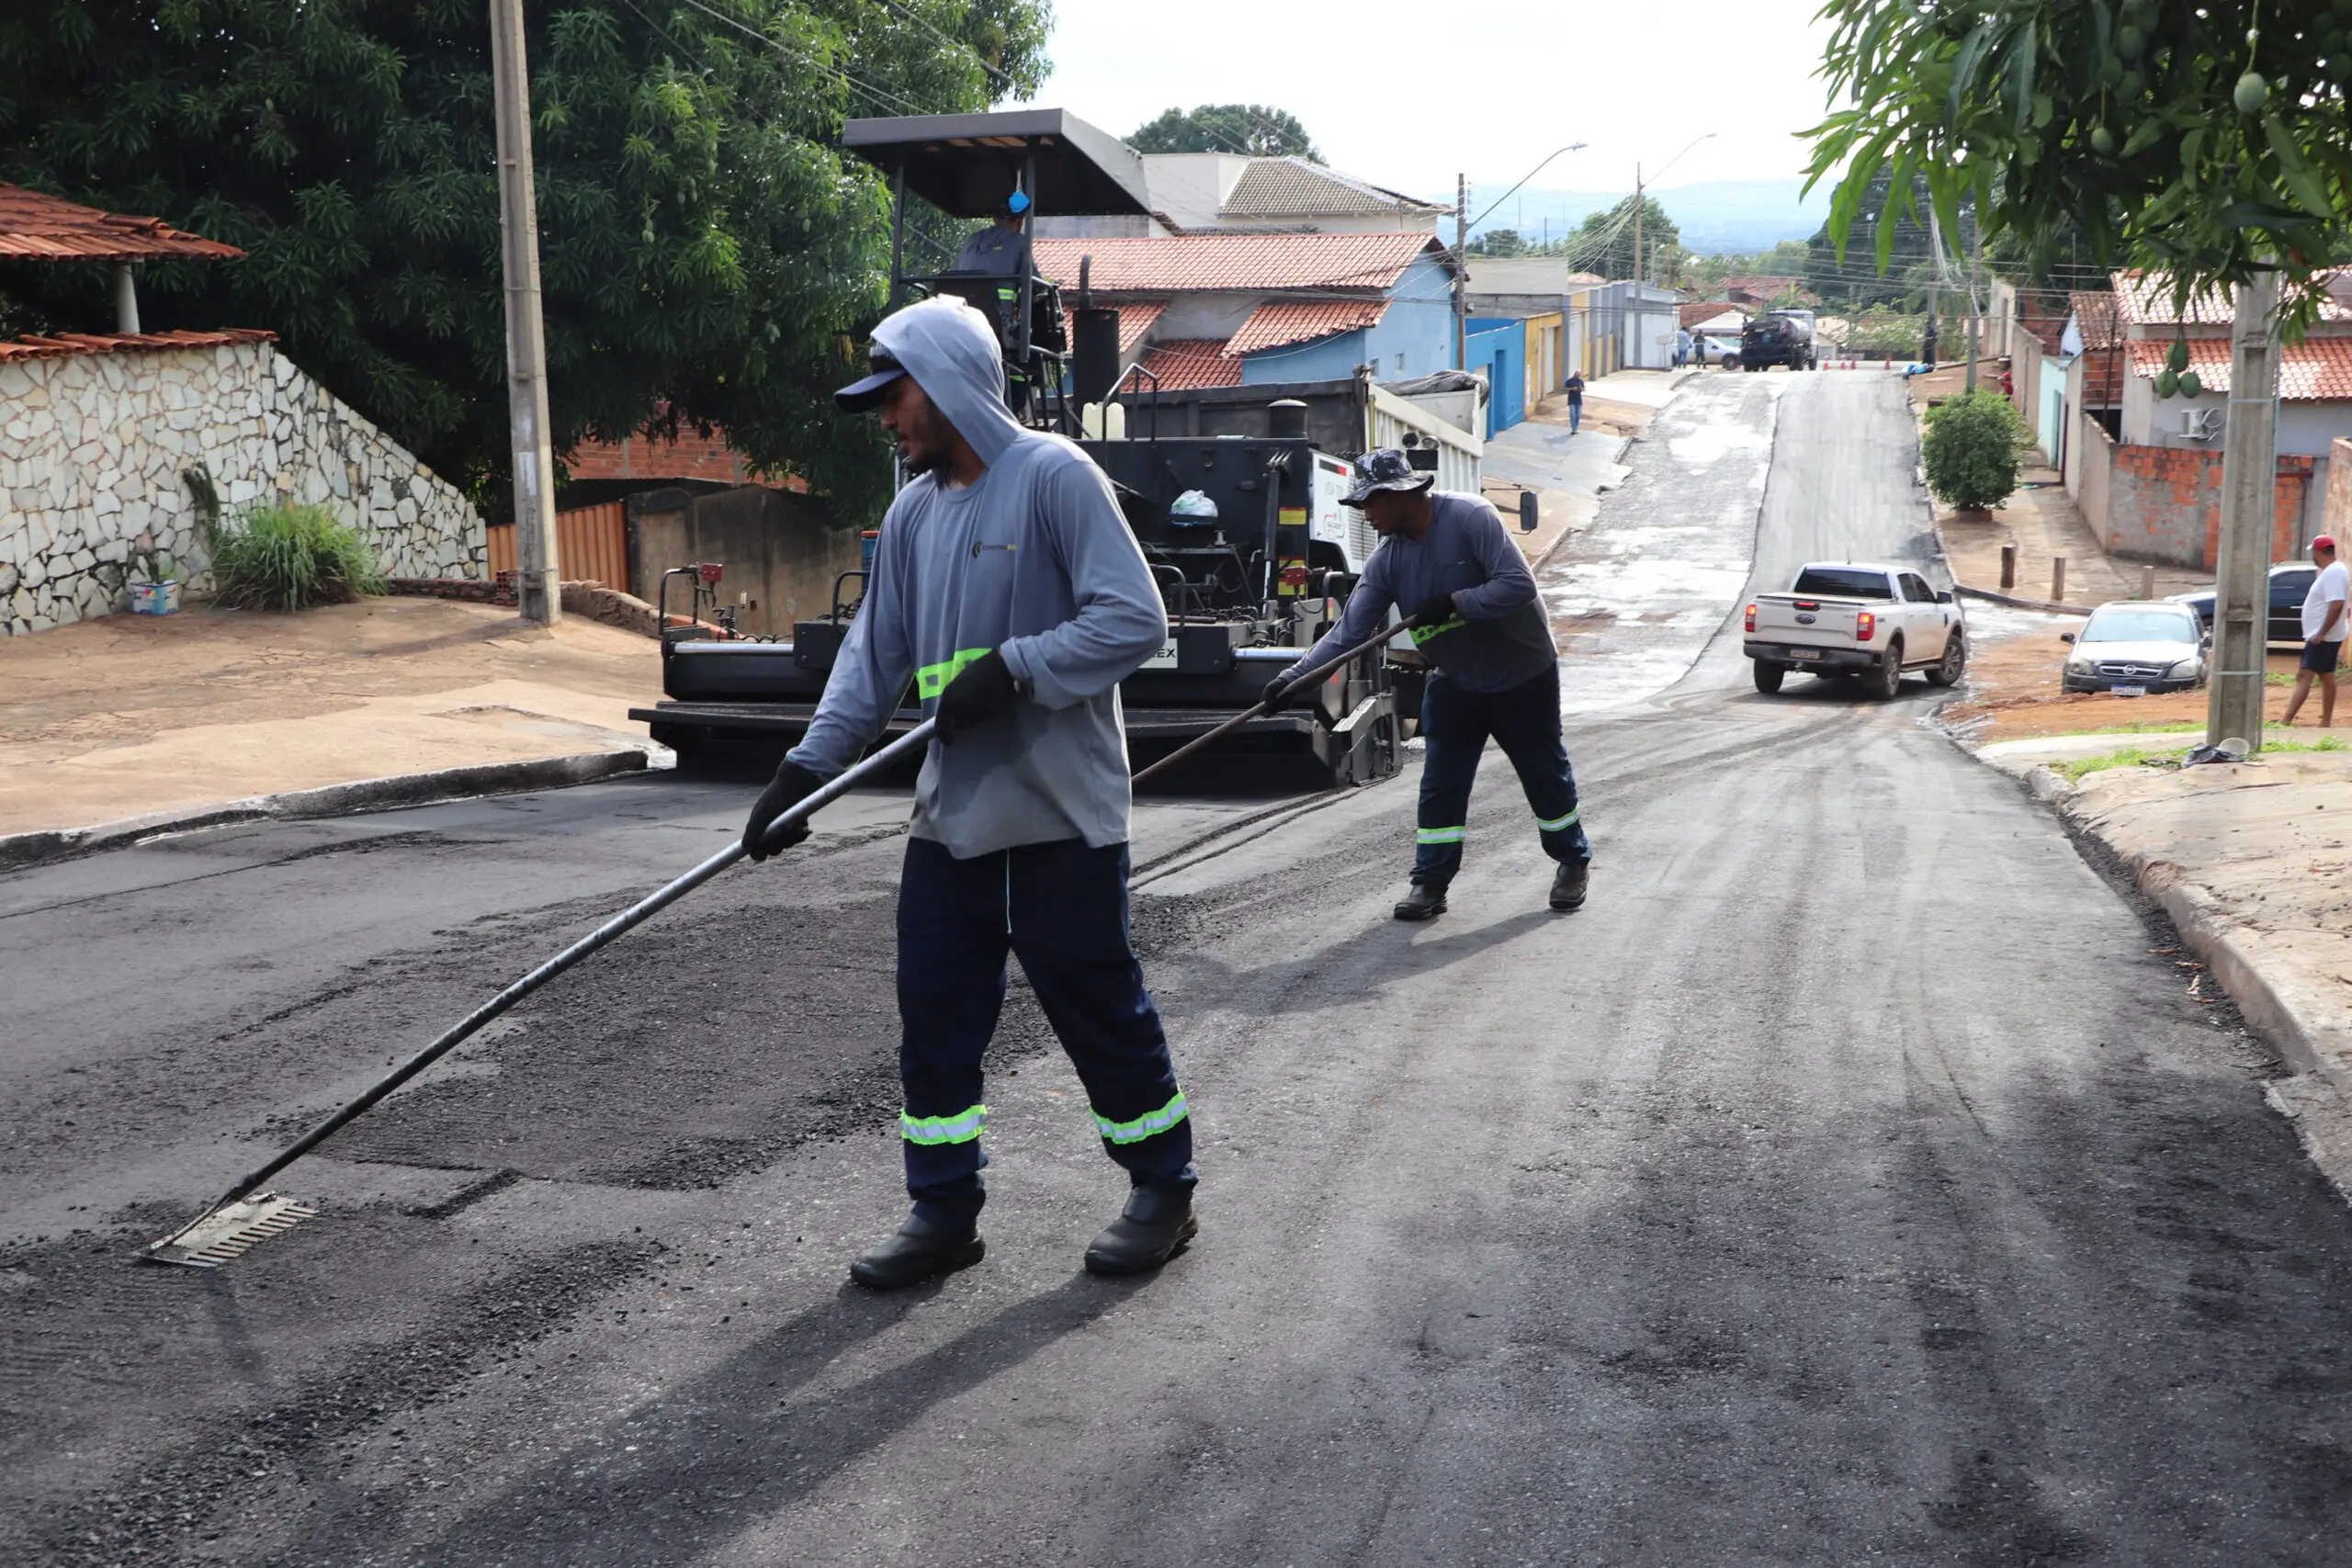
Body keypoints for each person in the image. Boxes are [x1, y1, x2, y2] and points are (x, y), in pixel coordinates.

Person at [741, 295, 1196, 1289]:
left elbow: (1134, 622)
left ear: (945, 383)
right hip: (951, 821)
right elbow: (873, 658)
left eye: (894, 396)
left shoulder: (1053, 479)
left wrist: (1017, 666)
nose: (886, 419)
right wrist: (806, 771)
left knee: (1096, 1007)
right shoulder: (911, 513)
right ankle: (942, 1210)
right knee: (935, 1019)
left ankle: (1162, 1187)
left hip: (1059, 815)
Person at [1264, 449, 1592, 921]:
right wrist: (1292, 680)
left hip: (1523, 675)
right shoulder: (1387, 562)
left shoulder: (1470, 518)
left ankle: (1572, 861)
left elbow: (1518, 585)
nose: (1366, 515)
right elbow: (1349, 634)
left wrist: (1456, 603)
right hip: (1456, 680)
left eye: (1370, 504)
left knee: (1544, 773)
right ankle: (1430, 883)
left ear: (1399, 494)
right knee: (1442, 783)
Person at [2282, 534, 2346, 728]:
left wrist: (2321, 633)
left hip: (2323, 637)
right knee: (2326, 675)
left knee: (2304, 676)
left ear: (2320, 552)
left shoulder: (2334, 572)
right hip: (2327, 635)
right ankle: (2325, 721)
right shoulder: (2332, 571)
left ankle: (2286, 721)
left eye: (2314, 553)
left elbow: (2336, 604)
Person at [952, 189, 1032, 276]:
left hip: (961, 289)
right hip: (996, 290)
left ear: (994, 218)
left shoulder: (972, 240)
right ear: (1019, 221)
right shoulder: (1020, 242)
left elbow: (953, 275)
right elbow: (1034, 284)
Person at [1562, 367, 1586, 435]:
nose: (1578, 376)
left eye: (1579, 375)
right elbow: (1564, 388)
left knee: (1578, 415)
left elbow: (1584, 389)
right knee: (1572, 414)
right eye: (1577, 374)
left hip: (1578, 400)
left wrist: (1581, 389)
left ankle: (1575, 426)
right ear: (1574, 374)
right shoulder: (1569, 381)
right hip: (1571, 400)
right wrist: (1572, 388)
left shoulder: (1580, 381)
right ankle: (1574, 429)